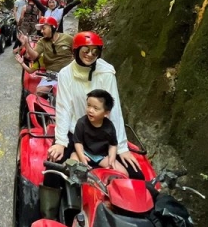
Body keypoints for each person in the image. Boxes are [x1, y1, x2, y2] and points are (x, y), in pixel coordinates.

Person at [47, 31, 140, 174]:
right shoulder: (66, 74)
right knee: (52, 170)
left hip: (102, 132)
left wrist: (121, 147)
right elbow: (63, 109)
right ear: (76, 51)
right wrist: (60, 142)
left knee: (136, 174)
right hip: (76, 131)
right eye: (86, 50)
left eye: (94, 52)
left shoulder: (106, 73)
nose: (90, 55)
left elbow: (113, 110)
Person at [71, 89, 128, 174]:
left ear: (106, 113)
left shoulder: (109, 127)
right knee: (72, 164)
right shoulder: (81, 123)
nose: (90, 110)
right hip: (84, 152)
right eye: (88, 105)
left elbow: (113, 144)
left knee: (123, 173)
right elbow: (78, 142)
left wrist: (112, 158)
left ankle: (107, 185)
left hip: (100, 156)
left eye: (95, 108)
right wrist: (82, 157)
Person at [17, 16, 73, 96]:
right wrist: (26, 44)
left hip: (68, 75)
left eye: (44, 28)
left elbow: (77, 52)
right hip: (52, 75)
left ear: (53, 27)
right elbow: (34, 56)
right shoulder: (42, 41)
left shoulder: (68, 38)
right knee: (38, 92)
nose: (42, 31)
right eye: (41, 29)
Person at [28, 0, 92, 33]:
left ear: (56, 3)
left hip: (57, 34)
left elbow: (71, 5)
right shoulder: (45, 10)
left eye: (53, 2)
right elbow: (37, 3)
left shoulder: (61, 11)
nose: (51, 4)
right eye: (49, 2)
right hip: (46, 33)